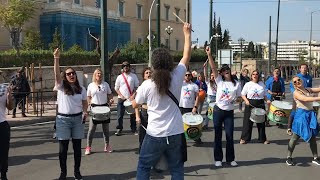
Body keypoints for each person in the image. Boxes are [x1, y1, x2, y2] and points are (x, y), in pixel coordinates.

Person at [132, 22, 191, 179]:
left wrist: (133, 98)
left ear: (154, 64)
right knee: (177, 168)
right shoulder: (177, 75)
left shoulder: (147, 84)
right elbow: (186, 56)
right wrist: (187, 34)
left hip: (155, 133)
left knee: (144, 165)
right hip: (176, 131)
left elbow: (135, 103)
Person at [53, 48, 88, 180]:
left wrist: (85, 111)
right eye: (68, 74)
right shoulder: (61, 87)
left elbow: (85, 102)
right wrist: (56, 58)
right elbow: (56, 74)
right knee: (63, 149)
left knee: (77, 148)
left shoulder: (82, 89)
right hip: (63, 120)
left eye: (73, 73)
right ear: (65, 77)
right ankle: (63, 173)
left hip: (77, 120)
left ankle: (77, 172)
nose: (72, 75)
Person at [206, 47, 242, 167]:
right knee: (218, 136)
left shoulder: (236, 84)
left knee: (229, 135)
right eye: (224, 70)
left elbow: (239, 97)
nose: (226, 71)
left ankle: (230, 159)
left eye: (228, 69)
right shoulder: (219, 81)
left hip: (229, 112)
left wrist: (235, 100)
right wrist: (210, 55)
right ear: (221, 73)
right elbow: (213, 67)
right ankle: (218, 159)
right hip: (218, 111)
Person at [285, 76, 320, 166]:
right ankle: (288, 157)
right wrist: (318, 98)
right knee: (295, 136)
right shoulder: (296, 93)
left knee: (312, 136)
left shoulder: (308, 89)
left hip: (310, 114)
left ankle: (315, 157)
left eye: (298, 80)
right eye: (295, 82)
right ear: (294, 85)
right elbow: (305, 99)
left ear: (302, 81)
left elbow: (318, 89)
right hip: (301, 115)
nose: (297, 82)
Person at [85, 68, 114, 155]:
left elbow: (110, 94)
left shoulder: (105, 85)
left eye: (100, 73)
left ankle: (107, 145)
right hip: (94, 108)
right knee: (91, 129)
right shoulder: (91, 85)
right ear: (94, 75)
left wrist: (111, 99)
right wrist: (89, 103)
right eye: (97, 73)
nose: (99, 75)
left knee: (106, 129)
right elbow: (88, 96)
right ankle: (88, 147)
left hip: (104, 107)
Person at [239, 70, 270, 145]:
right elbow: (243, 94)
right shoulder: (248, 84)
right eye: (253, 74)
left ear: (258, 76)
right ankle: (244, 138)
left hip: (260, 103)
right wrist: (246, 101)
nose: (255, 75)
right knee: (247, 122)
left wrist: (267, 100)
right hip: (250, 103)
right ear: (251, 76)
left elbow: (265, 95)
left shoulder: (262, 84)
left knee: (261, 122)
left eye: (256, 74)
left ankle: (262, 139)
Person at [114, 61, 139, 136]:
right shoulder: (119, 77)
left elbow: (136, 87)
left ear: (129, 67)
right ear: (122, 68)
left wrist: (133, 95)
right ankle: (119, 128)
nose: (126, 67)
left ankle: (133, 129)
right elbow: (116, 88)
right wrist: (121, 95)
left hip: (131, 98)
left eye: (127, 66)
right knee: (119, 115)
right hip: (121, 98)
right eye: (124, 66)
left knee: (132, 115)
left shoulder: (133, 76)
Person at [287, 64, 313, 136]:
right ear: (300, 69)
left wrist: (310, 95)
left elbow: (310, 88)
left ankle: (304, 128)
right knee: (294, 111)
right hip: (297, 97)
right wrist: (296, 94)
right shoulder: (296, 77)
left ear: (307, 69)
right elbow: (291, 87)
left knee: (306, 112)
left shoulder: (309, 77)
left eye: (305, 68)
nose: (304, 69)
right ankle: (289, 128)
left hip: (306, 97)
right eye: (302, 68)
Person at [179, 70, 201, 144]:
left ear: (191, 76)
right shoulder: (180, 84)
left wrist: (195, 107)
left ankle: (196, 138)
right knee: (182, 125)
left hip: (191, 107)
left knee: (194, 124)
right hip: (181, 107)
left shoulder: (194, 86)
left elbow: (197, 97)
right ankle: (182, 139)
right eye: (186, 75)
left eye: (189, 75)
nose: (187, 76)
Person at [135, 67, 152, 153]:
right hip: (144, 112)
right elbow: (136, 104)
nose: (149, 74)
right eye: (147, 73)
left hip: (153, 113)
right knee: (143, 133)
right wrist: (137, 116)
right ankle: (141, 149)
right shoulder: (141, 87)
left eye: (150, 72)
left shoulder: (154, 86)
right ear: (144, 76)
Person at [0, 82, 13, 180]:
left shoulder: (4, 88)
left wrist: (9, 97)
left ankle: (3, 175)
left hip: (2, 124)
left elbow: (10, 107)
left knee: (3, 153)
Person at [202, 62, 217, 130]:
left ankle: (218, 124)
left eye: (214, 76)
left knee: (217, 112)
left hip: (216, 98)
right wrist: (204, 67)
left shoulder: (218, 82)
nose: (212, 77)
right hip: (210, 97)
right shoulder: (208, 82)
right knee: (209, 112)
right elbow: (205, 76)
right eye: (211, 76)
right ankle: (205, 124)